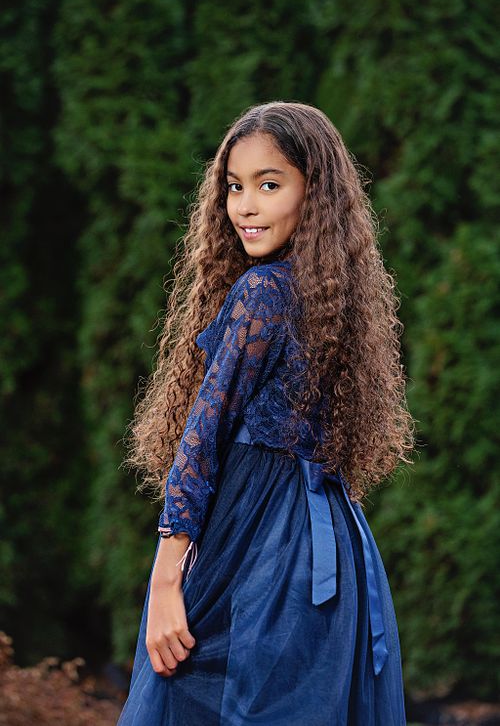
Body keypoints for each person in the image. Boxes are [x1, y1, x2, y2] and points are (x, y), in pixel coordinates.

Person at [117, 101, 415, 725]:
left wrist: (166, 581)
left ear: (315, 192)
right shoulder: (333, 299)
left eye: (269, 185)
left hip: (259, 546)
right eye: (235, 187)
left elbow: (203, 436)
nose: (246, 206)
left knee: (195, 697)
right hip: (330, 549)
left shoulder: (263, 291)